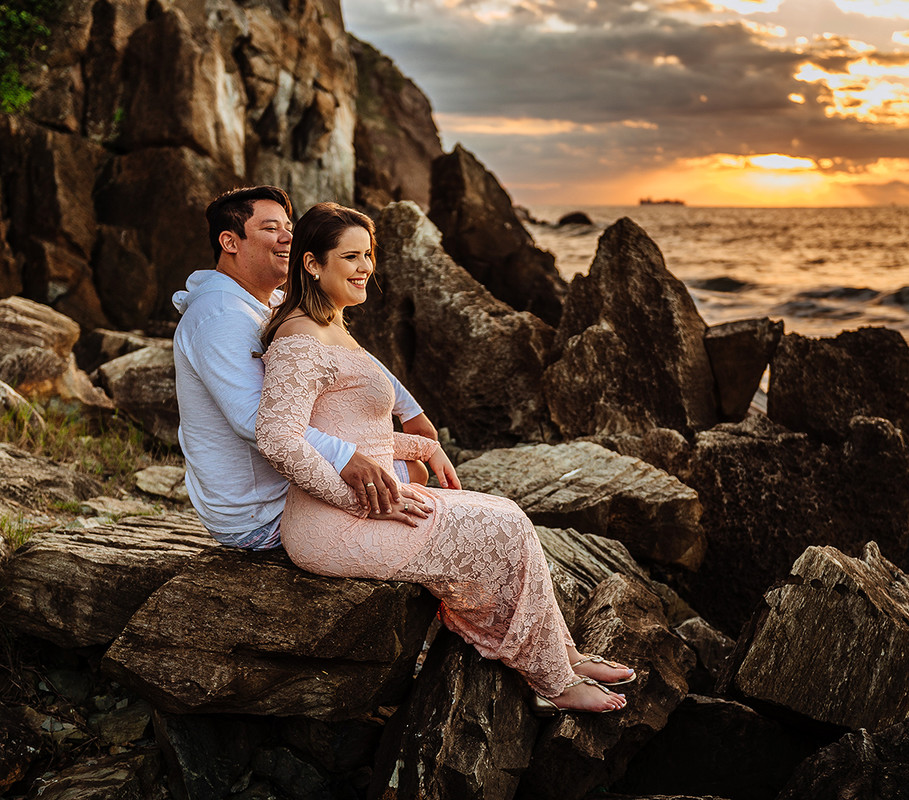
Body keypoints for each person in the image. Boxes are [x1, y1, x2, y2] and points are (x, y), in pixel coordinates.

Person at [254, 201, 633, 713]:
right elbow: (279, 439)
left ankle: (559, 653)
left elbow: (351, 432)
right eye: (350, 257)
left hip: (359, 504)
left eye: (369, 255)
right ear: (313, 264)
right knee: (506, 527)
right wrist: (365, 502)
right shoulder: (299, 339)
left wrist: (420, 447)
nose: (366, 266)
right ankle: (554, 681)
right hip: (332, 523)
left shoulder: (331, 325)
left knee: (507, 518)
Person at [174, 186, 436, 551]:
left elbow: (349, 354)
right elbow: (254, 420)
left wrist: (409, 410)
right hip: (260, 515)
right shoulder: (219, 317)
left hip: (288, 481)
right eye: (271, 228)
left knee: (416, 471)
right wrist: (346, 457)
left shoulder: (273, 302)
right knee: (416, 497)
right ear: (230, 242)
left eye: (289, 225)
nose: (288, 237)